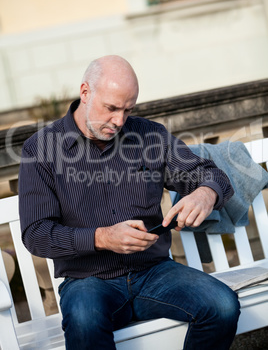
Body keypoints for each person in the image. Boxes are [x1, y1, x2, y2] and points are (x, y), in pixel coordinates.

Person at [19, 55, 240, 350]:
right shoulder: (41, 149)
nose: (119, 121)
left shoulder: (149, 135)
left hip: (155, 272)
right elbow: (36, 234)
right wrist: (102, 237)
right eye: (111, 108)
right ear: (85, 93)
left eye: (128, 110)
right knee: (84, 323)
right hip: (88, 281)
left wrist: (205, 193)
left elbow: (211, 175)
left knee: (222, 306)